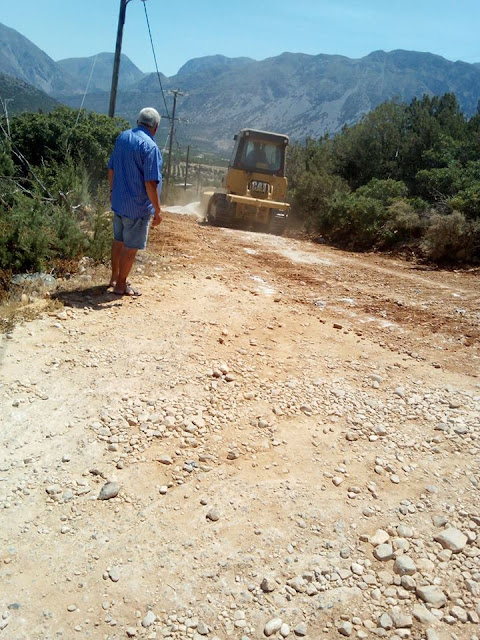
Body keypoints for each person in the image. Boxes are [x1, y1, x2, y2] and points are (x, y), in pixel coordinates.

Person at [107, 107, 163, 297]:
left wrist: (112, 191)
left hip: (119, 202)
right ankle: (121, 285)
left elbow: (111, 168)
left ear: (138, 122)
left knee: (118, 241)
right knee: (130, 248)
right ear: (155, 127)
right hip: (137, 207)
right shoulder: (150, 147)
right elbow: (150, 183)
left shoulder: (123, 137)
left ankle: (114, 278)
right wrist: (157, 210)